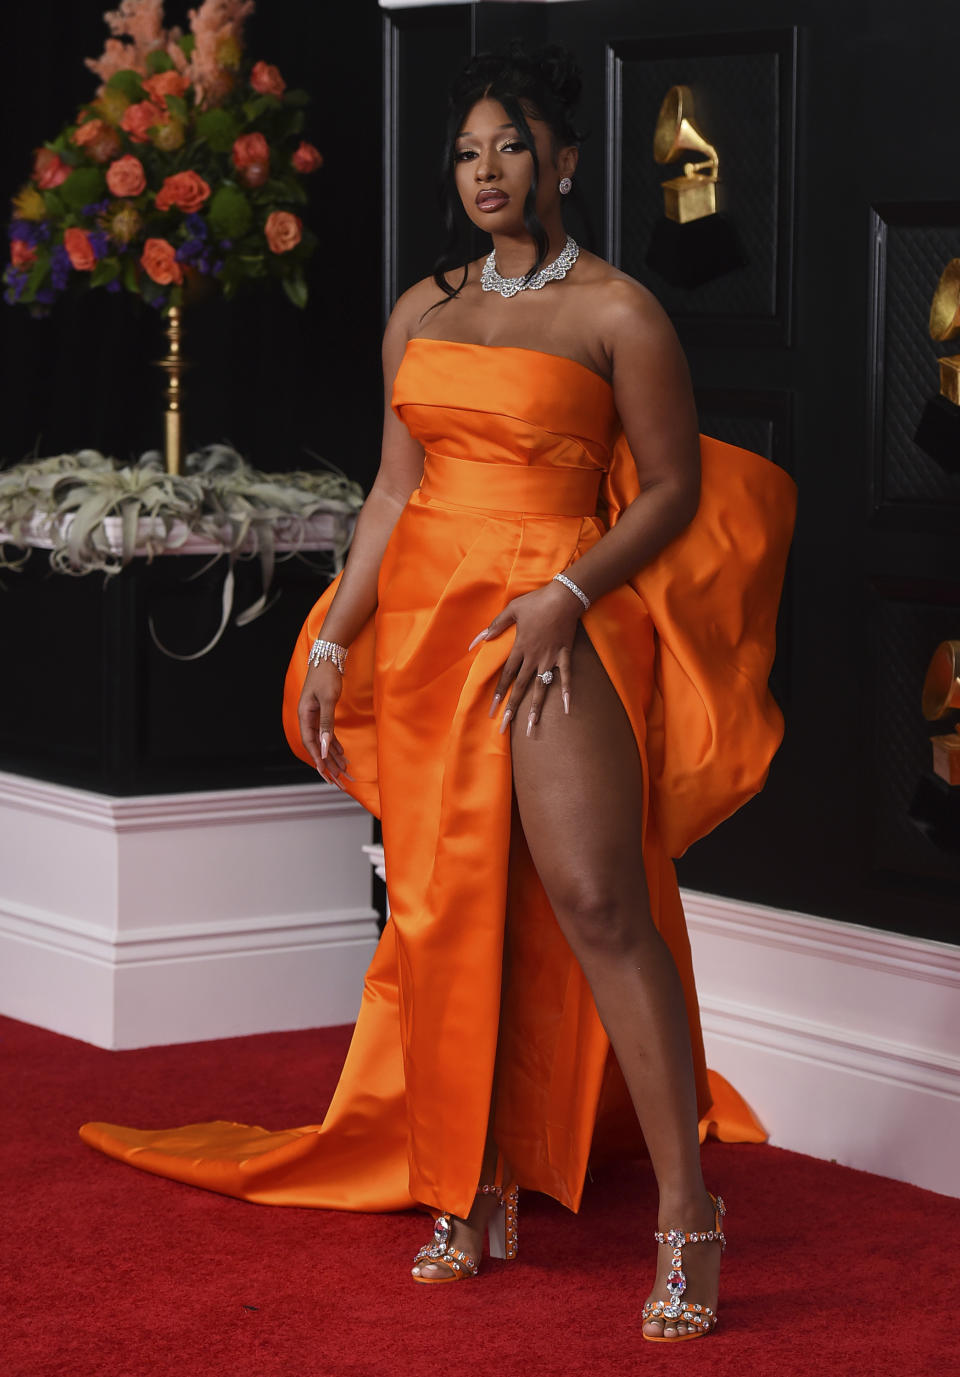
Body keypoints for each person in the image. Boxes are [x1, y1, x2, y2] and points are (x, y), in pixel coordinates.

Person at [80, 46, 795, 1345]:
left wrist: (569, 597)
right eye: (467, 153)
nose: (485, 172)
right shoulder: (422, 310)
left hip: (554, 611)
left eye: (510, 148)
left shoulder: (621, 312)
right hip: (428, 624)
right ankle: (468, 1183)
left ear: (563, 162)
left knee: (593, 897)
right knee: (445, 909)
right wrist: (336, 640)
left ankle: (690, 1213)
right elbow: (397, 491)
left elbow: (674, 491)